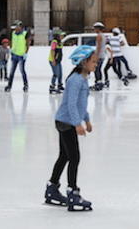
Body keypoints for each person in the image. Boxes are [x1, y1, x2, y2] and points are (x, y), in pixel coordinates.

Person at [45, 44, 96, 212]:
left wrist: (86, 120)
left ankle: (52, 188)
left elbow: (82, 105)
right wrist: (76, 123)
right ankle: (73, 193)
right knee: (74, 157)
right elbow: (72, 105)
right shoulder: (75, 80)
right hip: (66, 123)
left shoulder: (82, 79)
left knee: (64, 156)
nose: (96, 64)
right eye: (93, 61)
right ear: (83, 62)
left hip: (65, 121)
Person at [5, 22, 30, 92]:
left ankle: (25, 85)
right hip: (14, 55)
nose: (15, 29)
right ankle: (9, 86)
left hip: (21, 56)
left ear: (20, 27)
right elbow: (11, 42)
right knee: (12, 71)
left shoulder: (25, 34)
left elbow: (28, 44)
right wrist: (11, 49)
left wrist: (26, 53)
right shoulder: (13, 33)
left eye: (16, 27)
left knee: (22, 71)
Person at [91, 22, 107, 91]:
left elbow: (99, 47)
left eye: (95, 28)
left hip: (99, 55)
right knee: (98, 69)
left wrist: (96, 56)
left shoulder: (99, 36)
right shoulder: (103, 35)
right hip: (102, 55)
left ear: (98, 28)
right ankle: (99, 82)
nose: (94, 30)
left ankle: (98, 83)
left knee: (96, 69)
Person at [48, 31, 64, 95]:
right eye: (61, 35)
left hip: (58, 61)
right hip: (53, 60)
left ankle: (59, 85)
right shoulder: (54, 42)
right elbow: (52, 51)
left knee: (60, 74)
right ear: (57, 36)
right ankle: (52, 87)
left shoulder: (60, 42)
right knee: (56, 74)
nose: (62, 37)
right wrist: (53, 60)